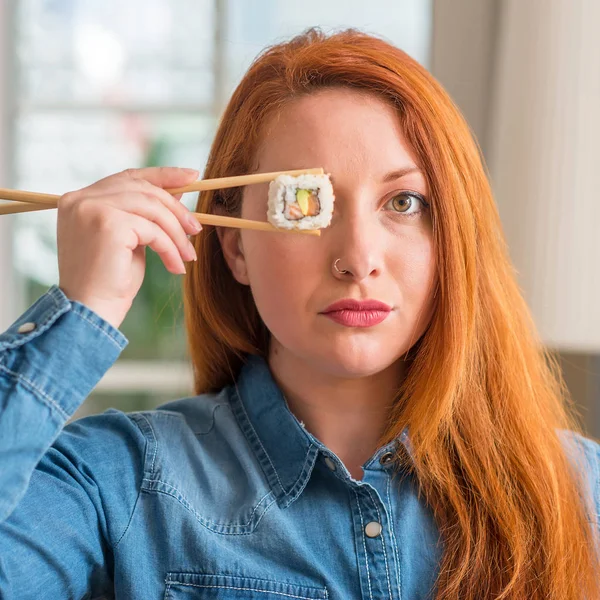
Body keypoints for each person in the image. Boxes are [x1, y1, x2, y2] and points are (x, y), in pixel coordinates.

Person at [0, 28, 598, 600]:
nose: (358, 259)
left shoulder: (579, 488)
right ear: (235, 248)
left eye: (404, 202)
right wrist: (82, 310)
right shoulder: (118, 479)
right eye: (307, 205)